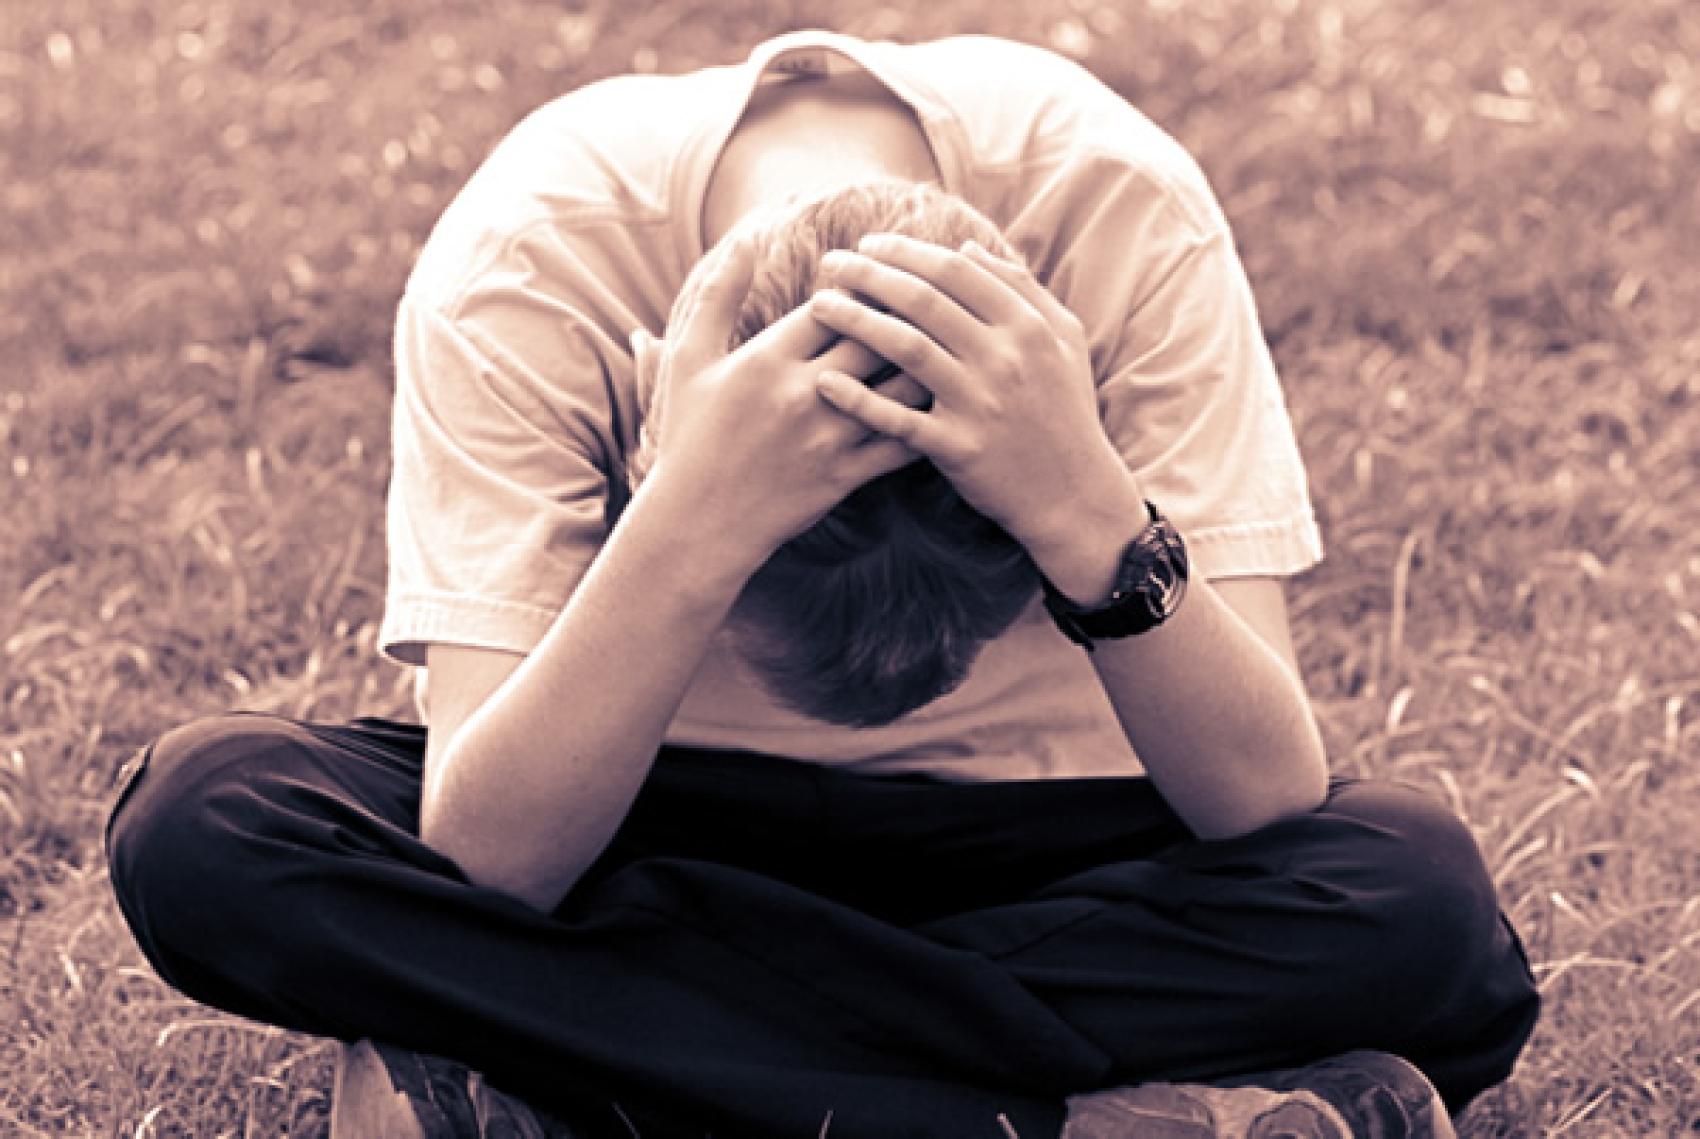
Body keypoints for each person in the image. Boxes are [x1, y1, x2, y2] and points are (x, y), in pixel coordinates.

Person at [105, 29, 1540, 1139]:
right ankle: (1080, 1120)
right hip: (640, 814)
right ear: (655, 382)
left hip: (1051, 834)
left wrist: (1085, 502)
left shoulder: (1111, 202)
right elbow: (495, 854)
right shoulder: (538, 246)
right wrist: (685, 523)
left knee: (1418, 903)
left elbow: (1261, 792)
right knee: (207, 822)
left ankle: (551, 1079)